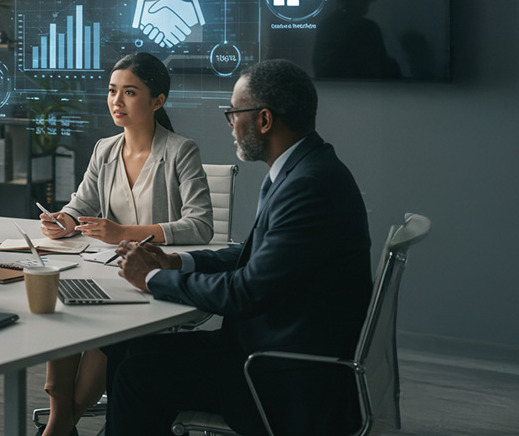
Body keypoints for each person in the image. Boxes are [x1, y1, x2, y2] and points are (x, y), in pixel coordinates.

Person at [105, 59, 373, 436]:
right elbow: (248, 255)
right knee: (132, 352)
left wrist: (152, 277)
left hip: (278, 375)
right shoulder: (305, 170)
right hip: (276, 348)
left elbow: (245, 291)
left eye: (234, 112)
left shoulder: (308, 187)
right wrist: (176, 261)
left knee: (137, 373)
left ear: (264, 120)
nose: (230, 123)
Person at [36, 52, 215, 436]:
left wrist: (123, 234)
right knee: (63, 311)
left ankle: (57, 427)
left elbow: (200, 227)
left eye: (130, 92)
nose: (117, 101)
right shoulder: (105, 149)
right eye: (113, 91)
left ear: (157, 101)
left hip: (149, 278)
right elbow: (80, 204)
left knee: (99, 322)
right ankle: (59, 421)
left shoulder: (181, 151)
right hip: (101, 268)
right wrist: (63, 221)